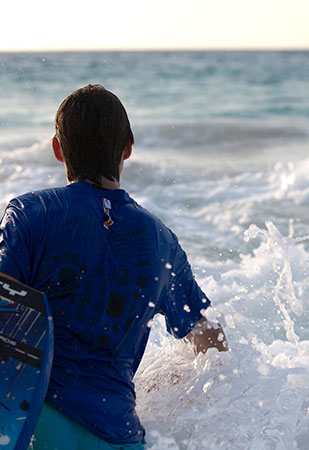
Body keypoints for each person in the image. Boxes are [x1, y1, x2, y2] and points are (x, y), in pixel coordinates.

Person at [0, 85, 228, 450]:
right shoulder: (160, 240)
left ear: (57, 149)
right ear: (128, 148)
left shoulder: (30, 216)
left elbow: (3, 306)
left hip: (35, 424)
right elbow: (211, 339)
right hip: (121, 435)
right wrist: (173, 389)